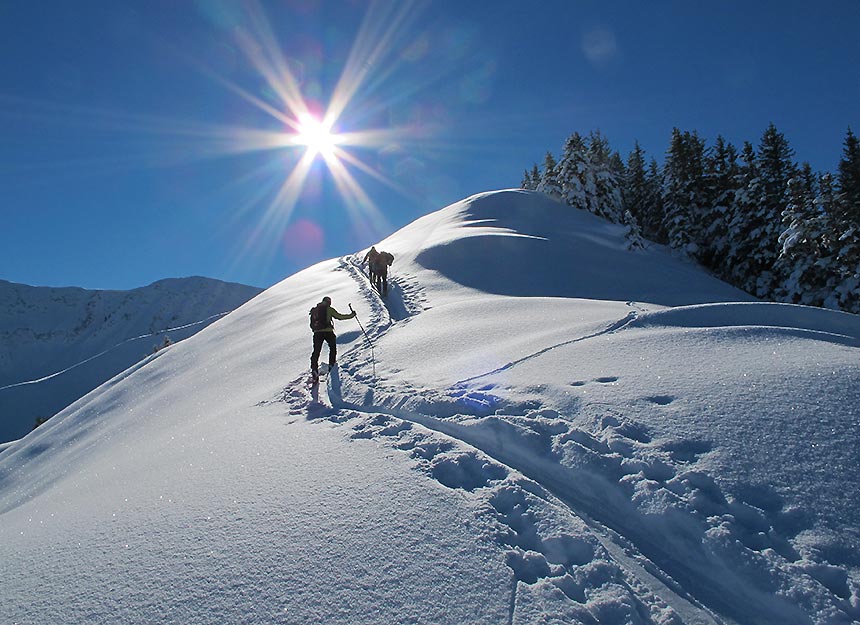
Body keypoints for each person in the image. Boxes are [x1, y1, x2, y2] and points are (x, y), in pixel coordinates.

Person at [309, 296, 356, 382]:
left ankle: (314, 370)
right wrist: (351, 315)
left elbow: (311, 324)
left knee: (316, 351)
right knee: (332, 348)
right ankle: (331, 365)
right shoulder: (329, 309)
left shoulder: (314, 310)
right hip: (328, 332)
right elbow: (339, 316)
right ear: (329, 302)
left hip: (317, 333)